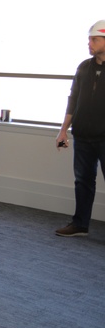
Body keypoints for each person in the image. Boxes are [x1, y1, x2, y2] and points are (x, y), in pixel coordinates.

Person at [54, 19, 105, 237]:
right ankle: (80, 224)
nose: (90, 43)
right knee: (82, 181)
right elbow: (73, 99)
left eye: (94, 39)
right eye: (89, 40)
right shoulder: (84, 67)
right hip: (83, 136)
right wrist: (63, 130)